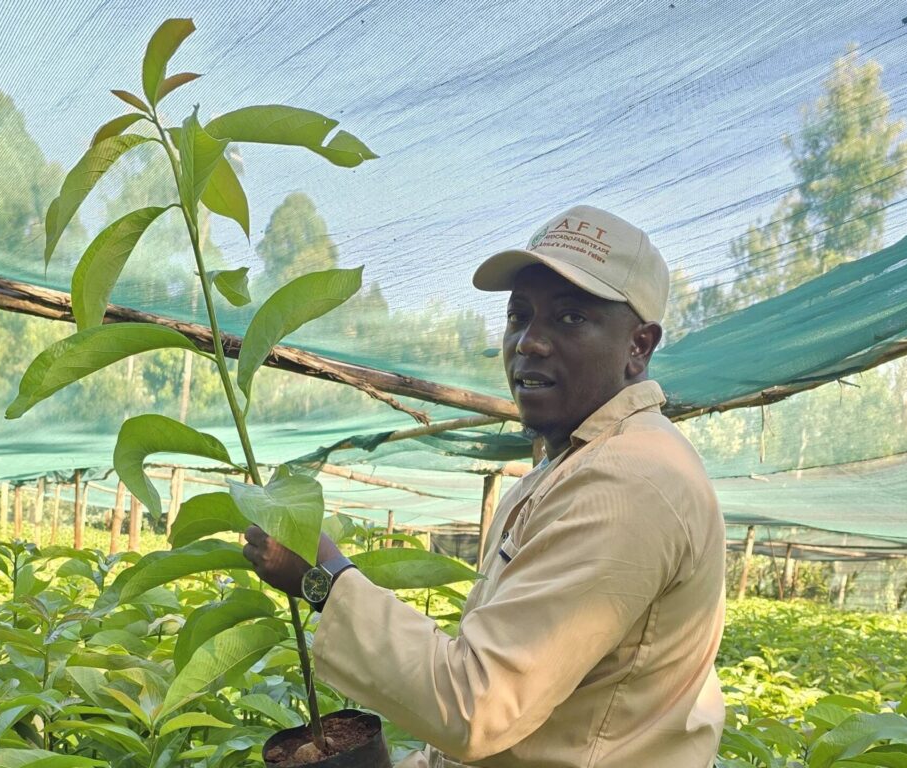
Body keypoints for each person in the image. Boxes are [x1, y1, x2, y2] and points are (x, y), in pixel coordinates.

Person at [244, 204, 726, 768]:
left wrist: (324, 580)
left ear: (639, 346)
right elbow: (520, 711)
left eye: (570, 318)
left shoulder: (628, 481)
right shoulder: (571, 465)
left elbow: (479, 705)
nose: (529, 342)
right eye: (519, 316)